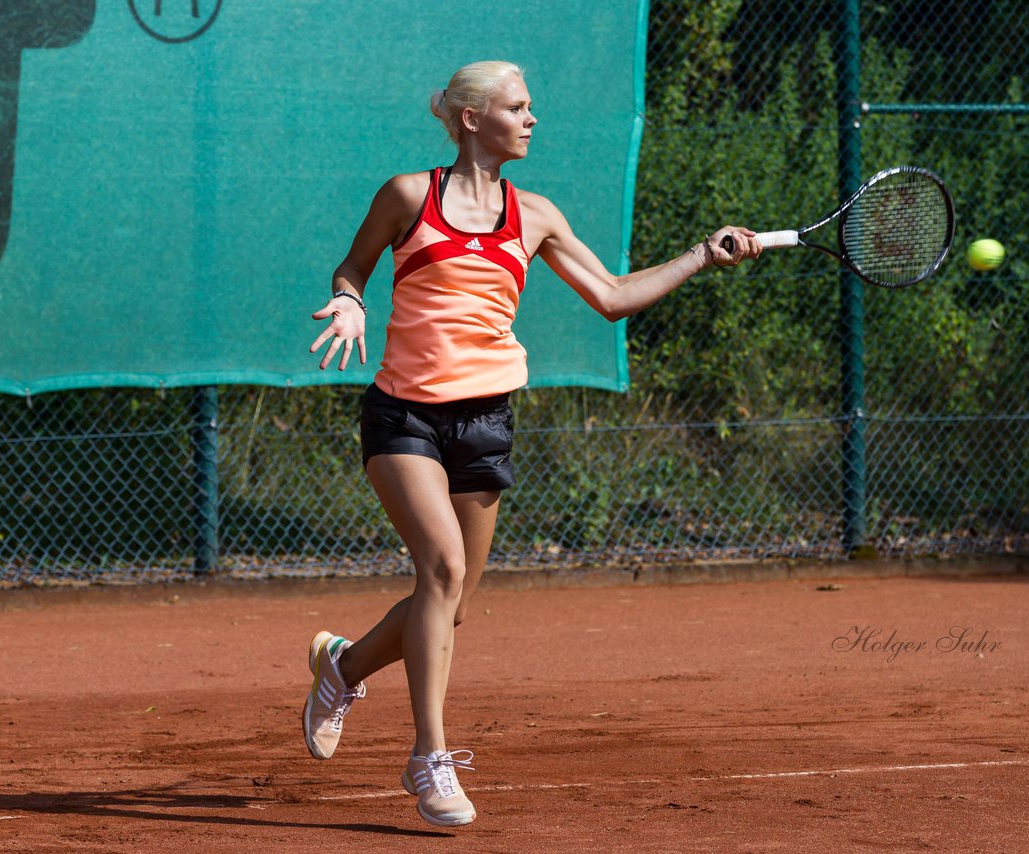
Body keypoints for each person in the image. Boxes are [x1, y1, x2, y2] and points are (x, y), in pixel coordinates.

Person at [303, 60, 761, 828]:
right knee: (443, 568)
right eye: (518, 106)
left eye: (531, 106)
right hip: (403, 418)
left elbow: (611, 297)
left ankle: (339, 668)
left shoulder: (537, 215)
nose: (532, 118)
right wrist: (349, 303)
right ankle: (430, 761)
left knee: (447, 608)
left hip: (485, 420)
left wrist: (700, 255)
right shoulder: (409, 195)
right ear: (471, 118)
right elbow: (353, 269)